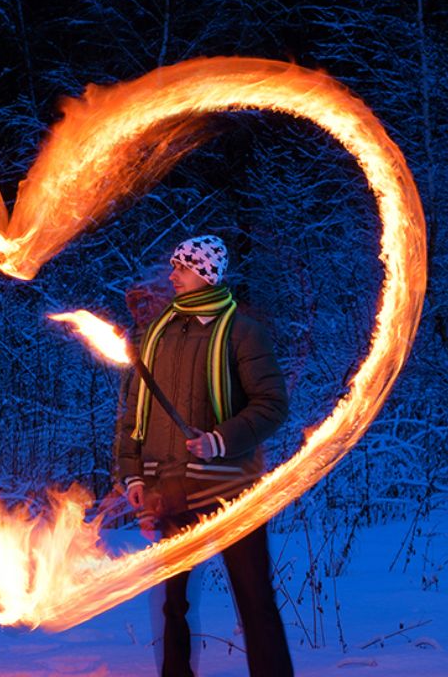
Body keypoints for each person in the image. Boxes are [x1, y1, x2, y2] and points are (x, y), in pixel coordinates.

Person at [116, 235, 293, 677]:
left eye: (182, 267)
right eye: (173, 266)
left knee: (254, 597)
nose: (172, 275)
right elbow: (132, 414)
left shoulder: (242, 331)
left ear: (207, 274)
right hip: (169, 490)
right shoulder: (156, 333)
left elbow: (272, 406)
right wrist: (134, 476)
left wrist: (219, 440)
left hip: (232, 490)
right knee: (172, 602)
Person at [124, 279, 207, 677]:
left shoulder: (182, 347)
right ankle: (176, 670)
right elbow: (130, 427)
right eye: (135, 309)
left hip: (205, 476)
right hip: (164, 485)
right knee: (175, 591)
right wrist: (132, 481)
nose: (141, 315)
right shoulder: (137, 356)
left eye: (147, 307)